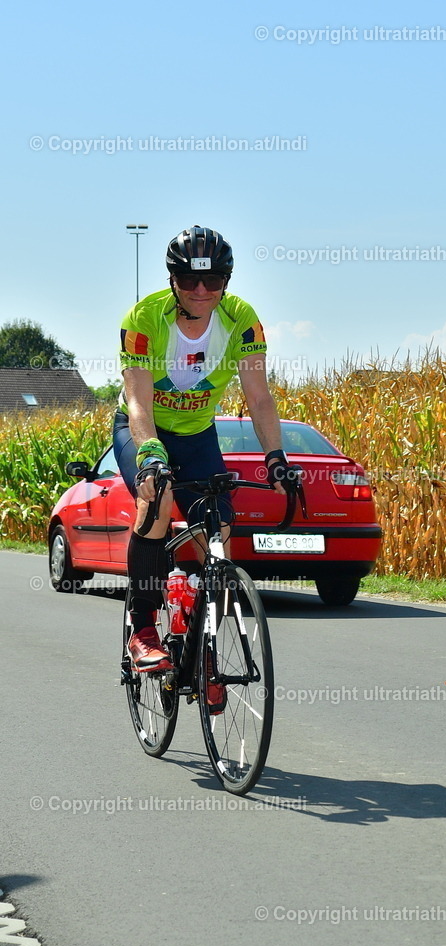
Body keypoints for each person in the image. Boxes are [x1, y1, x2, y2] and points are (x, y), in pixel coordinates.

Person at [113, 225, 292, 695]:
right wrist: (151, 455)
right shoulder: (144, 317)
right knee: (159, 499)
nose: (200, 290)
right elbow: (138, 402)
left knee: (220, 528)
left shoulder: (242, 320)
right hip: (145, 429)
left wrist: (277, 458)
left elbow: (259, 397)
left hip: (196, 434)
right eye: (190, 280)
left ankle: (202, 644)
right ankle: (144, 628)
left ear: (225, 283)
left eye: (212, 281)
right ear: (173, 280)